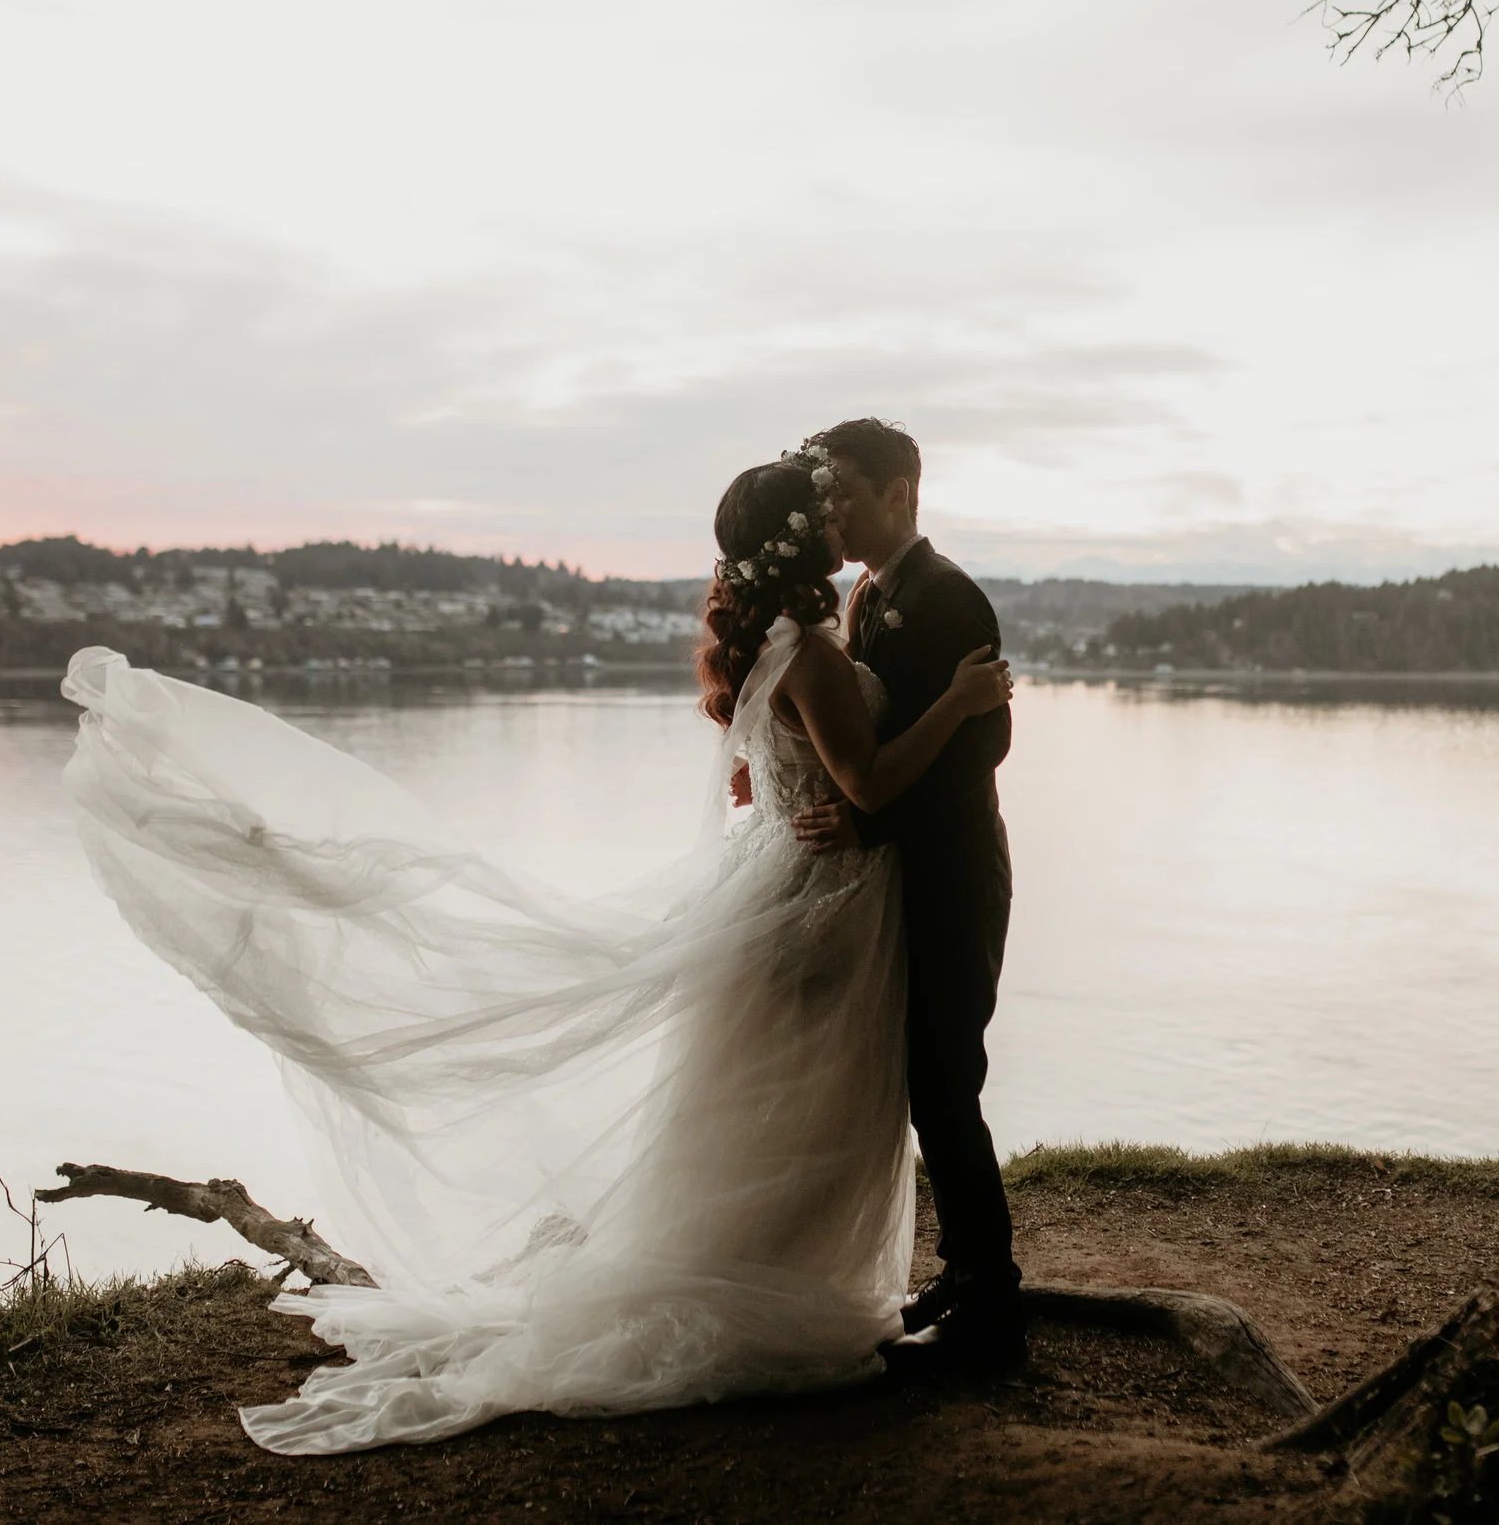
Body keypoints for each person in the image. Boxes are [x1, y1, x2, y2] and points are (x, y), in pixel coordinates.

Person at [58, 452, 1011, 1454]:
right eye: (824, 507)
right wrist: (953, 702)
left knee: (785, 1100)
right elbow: (861, 783)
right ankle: (789, 1296)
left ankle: (789, 1280)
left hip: (807, 891)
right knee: (814, 1099)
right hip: (824, 903)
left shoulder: (778, 644)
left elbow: (785, 771)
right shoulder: (813, 647)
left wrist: (801, 792)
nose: (838, 514)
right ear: (801, 539)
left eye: (841, 496)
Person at [788, 418, 1027, 1369]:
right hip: (904, 878)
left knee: (946, 1085)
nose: (831, 508)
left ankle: (994, 1312)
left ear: (901, 492)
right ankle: (962, 1272)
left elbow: (984, 746)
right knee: (923, 1082)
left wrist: (869, 821)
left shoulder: (948, 595)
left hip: (957, 874)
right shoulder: (865, 598)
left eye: (846, 490)